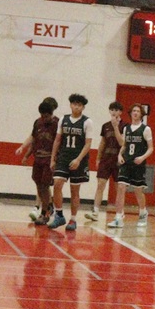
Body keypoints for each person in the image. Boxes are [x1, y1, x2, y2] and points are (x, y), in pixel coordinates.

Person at [52, 93, 93, 231]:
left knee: (74, 190)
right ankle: (59, 215)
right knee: (57, 184)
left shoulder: (87, 122)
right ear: (70, 105)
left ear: (83, 107)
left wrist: (78, 159)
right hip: (63, 157)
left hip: (78, 159)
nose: (76, 107)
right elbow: (57, 140)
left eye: (79, 105)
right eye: (74, 104)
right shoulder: (63, 119)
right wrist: (52, 158)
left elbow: (88, 144)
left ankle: (73, 219)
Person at [114, 103, 154, 228]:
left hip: (138, 163)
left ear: (141, 114)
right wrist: (119, 155)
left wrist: (142, 157)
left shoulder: (146, 129)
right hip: (126, 162)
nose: (135, 113)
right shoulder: (126, 128)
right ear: (130, 113)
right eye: (133, 111)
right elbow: (124, 145)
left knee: (138, 190)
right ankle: (118, 217)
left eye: (138, 111)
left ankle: (143, 212)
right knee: (121, 187)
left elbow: (151, 148)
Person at [25, 97, 59, 225]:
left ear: (52, 113)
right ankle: (48, 206)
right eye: (42, 116)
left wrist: (55, 159)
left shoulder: (57, 124)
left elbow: (59, 143)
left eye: (47, 116)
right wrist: (26, 155)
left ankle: (44, 212)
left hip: (49, 159)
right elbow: (33, 140)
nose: (45, 118)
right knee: (38, 184)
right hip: (38, 158)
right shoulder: (38, 123)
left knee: (45, 186)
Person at [97, 100, 124, 220]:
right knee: (100, 184)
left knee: (118, 187)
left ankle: (120, 212)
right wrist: (98, 158)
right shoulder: (105, 126)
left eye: (116, 110)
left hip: (118, 160)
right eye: (112, 110)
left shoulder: (125, 126)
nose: (114, 112)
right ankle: (95, 211)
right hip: (106, 159)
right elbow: (102, 143)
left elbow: (122, 143)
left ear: (120, 112)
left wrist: (116, 127)